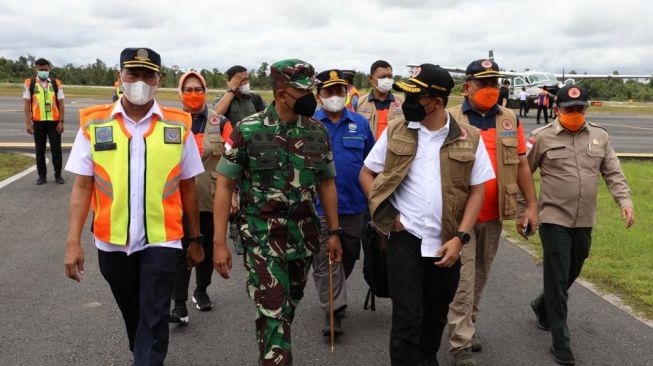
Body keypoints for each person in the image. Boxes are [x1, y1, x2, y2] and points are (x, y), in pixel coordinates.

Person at [63, 48, 205, 366]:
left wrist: (195, 239)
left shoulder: (178, 125)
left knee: (154, 317)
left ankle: (147, 358)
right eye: (133, 74)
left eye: (148, 75)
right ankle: (142, 351)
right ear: (120, 78)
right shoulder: (94, 123)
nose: (140, 81)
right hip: (111, 242)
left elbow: (189, 187)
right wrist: (73, 242)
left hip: (163, 240)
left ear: (159, 80)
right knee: (134, 315)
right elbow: (83, 186)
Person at [360, 63, 495, 366]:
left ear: (436, 100)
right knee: (407, 318)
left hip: (446, 243)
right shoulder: (398, 129)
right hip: (405, 238)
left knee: (435, 315)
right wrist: (384, 212)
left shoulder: (468, 138)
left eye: (415, 97)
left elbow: (477, 190)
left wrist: (461, 238)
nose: (407, 103)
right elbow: (367, 173)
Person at [212, 59, 343, 366]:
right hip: (261, 240)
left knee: (286, 309)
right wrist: (219, 242)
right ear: (282, 93)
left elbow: (327, 183)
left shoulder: (316, 131)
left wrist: (334, 232)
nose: (312, 98)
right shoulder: (248, 129)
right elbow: (223, 185)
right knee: (272, 314)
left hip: (303, 240)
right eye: (303, 91)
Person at [521, 84, 635, 366]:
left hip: (585, 220)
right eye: (569, 109)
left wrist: (625, 202)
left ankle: (542, 305)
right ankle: (561, 341)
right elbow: (522, 174)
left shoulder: (599, 136)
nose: (575, 113)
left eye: (580, 109)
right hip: (553, 218)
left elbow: (613, 172)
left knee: (573, 269)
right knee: (557, 276)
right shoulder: (541, 137)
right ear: (557, 109)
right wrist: (526, 211)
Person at [446, 58, 539, 366]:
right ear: (467, 87)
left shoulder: (510, 118)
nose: (491, 89)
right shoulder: (451, 119)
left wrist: (531, 207)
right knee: (463, 280)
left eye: (495, 83)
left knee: (480, 279)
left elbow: (522, 164)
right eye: (484, 83)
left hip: (495, 214)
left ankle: (467, 328)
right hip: (461, 216)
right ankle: (460, 344)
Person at [312, 69, 375, 336]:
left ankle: (335, 294)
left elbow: (372, 162)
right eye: (329, 92)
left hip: (354, 206)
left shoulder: (360, 123)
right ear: (319, 96)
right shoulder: (308, 123)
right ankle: (333, 312)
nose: (336, 96)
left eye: (340, 90)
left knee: (348, 256)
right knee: (326, 259)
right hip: (318, 207)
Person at [169, 71, 232, 324]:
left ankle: (201, 289)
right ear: (180, 93)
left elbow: (233, 161)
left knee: (206, 248)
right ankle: (179, 303)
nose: (193, 95)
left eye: (198, 89)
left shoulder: (221, 123)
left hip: (210, 198)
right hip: (177, 200)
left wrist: (235, 194)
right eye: (188, 90)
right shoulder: (170, 122)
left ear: (205, 92)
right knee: (180, 251)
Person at [23, 58, 65, 185]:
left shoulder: (56, 83)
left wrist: (61, 121)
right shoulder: (29, 83)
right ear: (36, 69)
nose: (43, 72)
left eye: (45, 70)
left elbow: (61, 103)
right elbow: (26, 104)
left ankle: (58, 175)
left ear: (49, 69)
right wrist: (28, 123)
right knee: (39, 150)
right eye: (41, 70)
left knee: (56, 150)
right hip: (38, 122)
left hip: (54, 122)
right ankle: (42, 176)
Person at [356, 60, 404, 139]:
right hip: (369, 150)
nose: (387, 80)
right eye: (382, 77)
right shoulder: (359, 103)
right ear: (371, 78)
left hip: (393, 150)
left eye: (389, 76)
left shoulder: (403, 102)